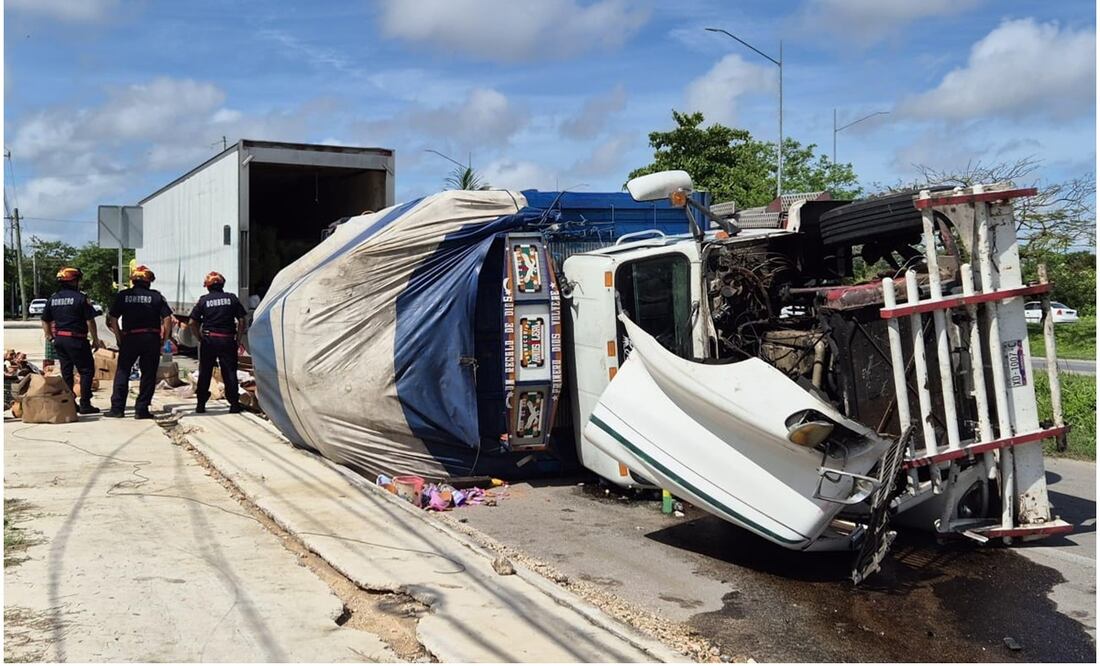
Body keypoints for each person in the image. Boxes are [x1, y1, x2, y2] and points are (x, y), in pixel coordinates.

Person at [105, 265, 173, 419]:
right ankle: (141, 409)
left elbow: (113, 318)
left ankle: (117, 409)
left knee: (123, 371)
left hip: (130, 338)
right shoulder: (156, 296)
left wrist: (119, 336)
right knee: (148, 374)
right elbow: (168, 318)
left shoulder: (123, 295)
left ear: (133, 281)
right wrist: (165, 338)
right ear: (149, 281)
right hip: (151, 338)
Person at [40, 267, 101, 414]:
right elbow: (90, 321)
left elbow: (44, 320)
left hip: (60, 340)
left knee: (66, 372)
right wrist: (95, 339)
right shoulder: (80, 298)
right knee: (86, 370)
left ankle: (69, 403)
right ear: (74, 281)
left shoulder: (53, 299)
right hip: (77, 339)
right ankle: (85, 404)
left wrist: (49, 336)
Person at [188, 271, 247, 414]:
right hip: (227, 340)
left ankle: (201, 404)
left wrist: (200, 338)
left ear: (207, 287)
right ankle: (234, 404)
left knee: (205, 372)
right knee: (229, 372)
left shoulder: (203, 300)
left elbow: (191, 322)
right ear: (222, 284)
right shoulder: (231, 299)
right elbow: (242, 320)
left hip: (209, 340)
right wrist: (238, 338)